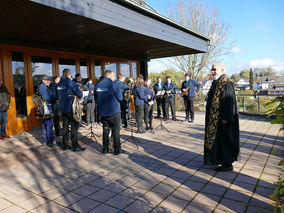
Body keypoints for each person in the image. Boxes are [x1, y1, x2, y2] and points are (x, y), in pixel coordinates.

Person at [204, 62, 240, 172]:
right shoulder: (216, 82)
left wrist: (226, 118)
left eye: (215, 69)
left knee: (225, 142)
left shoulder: (226, 84)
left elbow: (229, 101)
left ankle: (227, 164)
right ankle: (219, 160)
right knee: (219, 141)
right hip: (215, 119)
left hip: (223, 119)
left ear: (222, 70)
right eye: (212, 69)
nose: (213, 71)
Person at [94, 70, 123, 155]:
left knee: (105, 130)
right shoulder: (113, 84)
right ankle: (117, 150)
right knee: (115, 132)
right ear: (109, 76)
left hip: (103, 113)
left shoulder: (97, 85)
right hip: (114, 112)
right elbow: (120, 98)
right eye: (113, 76)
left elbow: (96, 99)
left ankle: (105, 149)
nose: (114, 78)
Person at [57, 69, 86, 152]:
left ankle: (65, 145)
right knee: (74, 127)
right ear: (69, 75)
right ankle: (75, 146)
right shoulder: (70, 82)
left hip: (63, 108)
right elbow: (79, 94)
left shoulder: (59, 84)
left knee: (65, 127)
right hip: (71, 108)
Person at [38, 76, 56, 147]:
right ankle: (51, 140)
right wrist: (54, 99)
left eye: (49, 80)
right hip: (46, 108)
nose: (48, 81)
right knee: (49, 124)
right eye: (46, 80)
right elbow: (45, 97)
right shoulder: (43, 87)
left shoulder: (45, 87)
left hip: (46, 107)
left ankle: (45, 140)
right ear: (43, 80)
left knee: (45, 124)